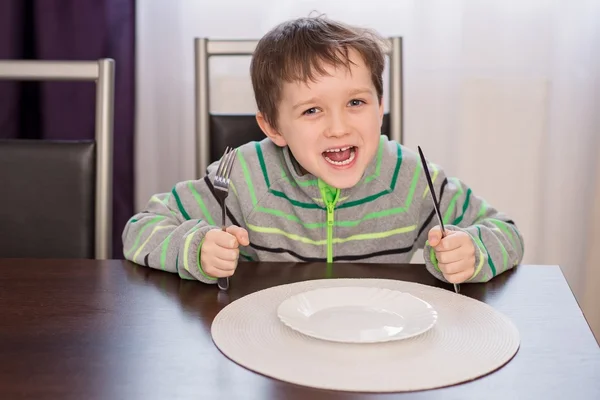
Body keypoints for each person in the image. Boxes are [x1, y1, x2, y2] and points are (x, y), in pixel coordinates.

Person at [122, 16, 524, 285]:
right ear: (273, 126)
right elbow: (139, 229)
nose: (338, 127)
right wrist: (196, 249)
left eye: (356, 103)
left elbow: (506, 232)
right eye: (312, 110)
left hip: (375, 351)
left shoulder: (411, 177)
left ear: (380, 108)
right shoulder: (245, 176)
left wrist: (471, 254)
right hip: (272, 345)